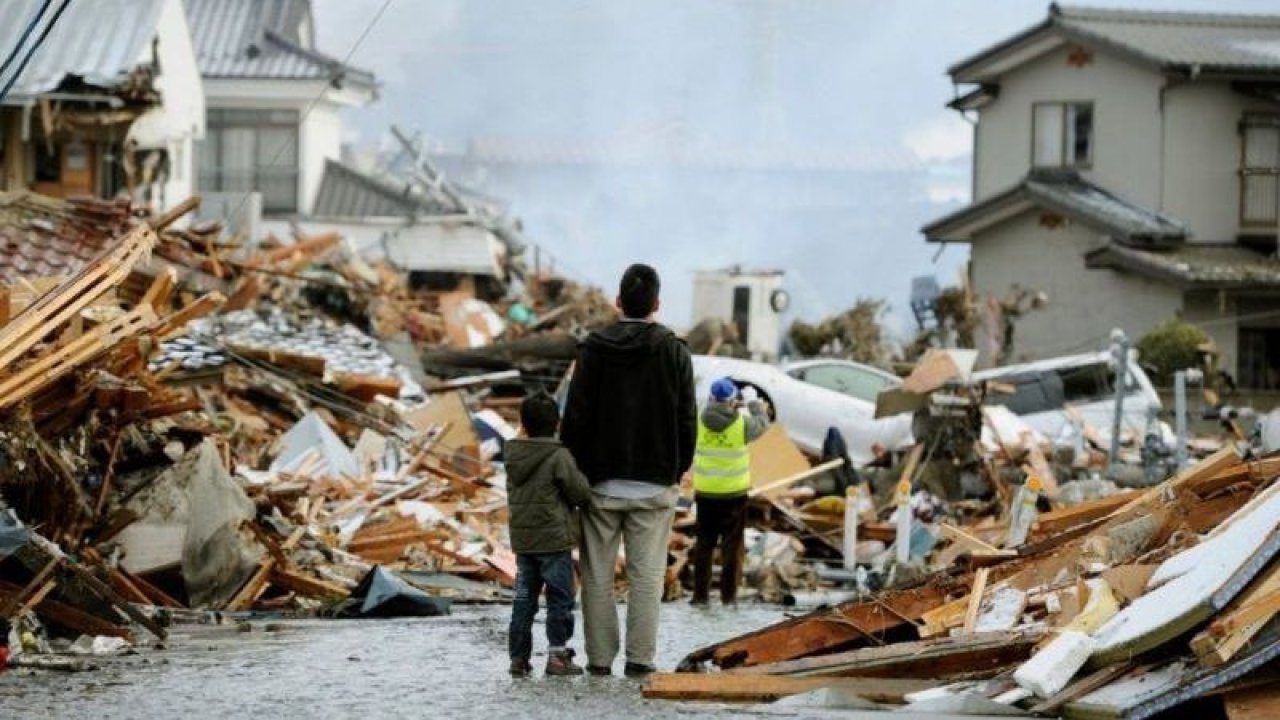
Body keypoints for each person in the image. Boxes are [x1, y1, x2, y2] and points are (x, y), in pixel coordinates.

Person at [561, 263, 696, 678]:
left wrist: (576, 473)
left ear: (618, 303)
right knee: (647, 577)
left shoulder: (593, 351)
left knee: (598, 577)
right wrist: (677, 468)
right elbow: (687, 417)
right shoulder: (675, 351)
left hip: (600, 484)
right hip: (654, 485)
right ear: (656, 304)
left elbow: (576, 418)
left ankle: (599, 659)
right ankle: (640, 659)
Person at [506, 392, 593, 677]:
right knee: (559, 599)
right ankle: (557, 656)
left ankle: (518, 658)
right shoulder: (559, 456)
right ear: (557, 423)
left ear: (524, 423)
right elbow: (580, 493)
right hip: (554, 542)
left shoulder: (513, 455)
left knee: (523, 600)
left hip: (524, 543)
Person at [690, 378, 770, 606]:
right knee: (731, 549)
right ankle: (728, 596)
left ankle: (700, 595)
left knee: (704, 545)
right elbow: (762, 424)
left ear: (712, 398)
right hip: (734, 495)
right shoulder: (742, 423)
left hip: (706, 493)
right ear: (732, 399)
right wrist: (753, 403)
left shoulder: (699, 420)